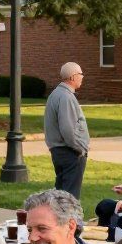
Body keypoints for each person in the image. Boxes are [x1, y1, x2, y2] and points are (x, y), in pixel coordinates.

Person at [44, 62, 90, 198]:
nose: (82, 77)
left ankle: (59, 219)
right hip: (70, 153)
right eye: (80, 74)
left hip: (60, 151)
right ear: (72, 77)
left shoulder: (56, 94)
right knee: (70, 197)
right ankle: (68, 219)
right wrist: (80, 149)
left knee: (61, 195)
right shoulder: (65, 97)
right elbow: (68, 129)